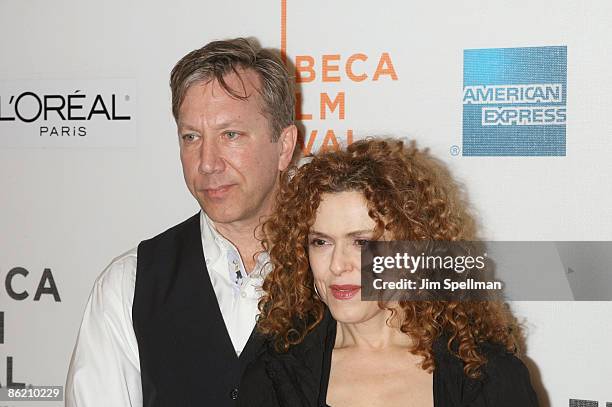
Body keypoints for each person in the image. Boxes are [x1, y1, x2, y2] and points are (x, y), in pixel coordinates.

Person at [65, 38, 297, 407]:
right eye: (191, 137)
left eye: (230, 135)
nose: (207, 162)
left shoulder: (347, 270)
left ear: (284, 146)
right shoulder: (129, 285)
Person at [241, 138, 539, 407]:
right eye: (321, 242)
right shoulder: (275, 377)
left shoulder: (486, 376)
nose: (336, 264)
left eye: (361, 242)